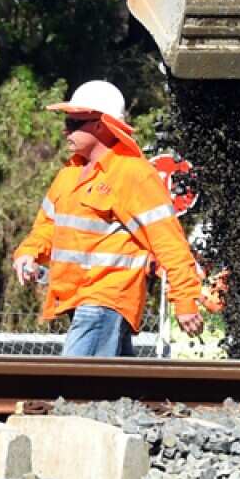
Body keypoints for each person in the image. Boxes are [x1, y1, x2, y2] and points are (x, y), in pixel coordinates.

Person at [12, 80, 204, 356]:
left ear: (102, 125)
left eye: (75, 122)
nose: (66, 129)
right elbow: (47, 227)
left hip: (106, 299)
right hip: (76, 299)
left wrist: (185, 299)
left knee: (72, 389)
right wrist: (28, 253)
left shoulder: (132, 174)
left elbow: (169, 242)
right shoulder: (69, 173)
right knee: (112, 394)